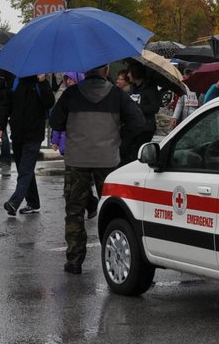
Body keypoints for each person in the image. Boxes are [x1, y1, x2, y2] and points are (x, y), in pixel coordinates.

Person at [47, 64, 145, 274]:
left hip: (77, 160)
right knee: (114, 211)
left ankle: (74, 260)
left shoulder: (71, 94)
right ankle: (116, 257)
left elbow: (55, 121)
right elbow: (138, 122)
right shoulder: (117, 95)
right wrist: (120, 141)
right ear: (107, 70)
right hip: (108, 161)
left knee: (74, 211)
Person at [3, 72, 54, 217]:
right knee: (24, 170)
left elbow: (49, 102)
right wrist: (0, 126)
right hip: (18, 134)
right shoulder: (16, 82)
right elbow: (7, 105)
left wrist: (43, 83)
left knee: (25, 170)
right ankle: (34, 203)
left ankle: (14, 202)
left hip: (34, 135)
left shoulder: (40, 82)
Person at [124, 65, 163, 162]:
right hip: (134, 126)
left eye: (129, 72)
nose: (128, 75)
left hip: (145, 127)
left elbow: (154, 108)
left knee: (137, 153)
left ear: (135, 73)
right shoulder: (133, 87)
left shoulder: (150, 89)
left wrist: (137, 108)